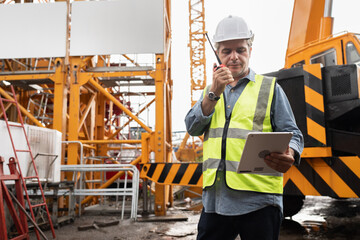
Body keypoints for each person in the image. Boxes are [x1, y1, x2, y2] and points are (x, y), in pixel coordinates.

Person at [184, 15, 304, 240]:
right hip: (216, 202)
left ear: (250, 50)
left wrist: (291, 152)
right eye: (226, 51)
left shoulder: (270, 88)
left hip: (260, 201)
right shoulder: (209, 93)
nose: (234, 57)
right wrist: (213, 94)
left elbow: (294, 133)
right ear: (217, 54)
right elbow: (192, 127)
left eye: (240, 49)